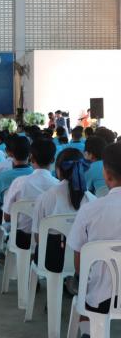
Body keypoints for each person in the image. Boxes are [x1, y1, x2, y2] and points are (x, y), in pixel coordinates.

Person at [67, 143, 121, 337]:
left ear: (107, 174)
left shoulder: (90, 210)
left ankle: (88, 333)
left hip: (99, 298)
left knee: (84, 290)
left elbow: (79, 259)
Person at [32, 148, 95, 272]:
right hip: (84, 264)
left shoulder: (45, 197)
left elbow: (38, 238)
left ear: (58, 170)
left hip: (49, 262)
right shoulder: (93, 200)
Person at [2, 139, 58, 250]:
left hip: (20, 240)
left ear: (31, 158)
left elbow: (7, 217)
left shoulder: (19, 182)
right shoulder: (58, 186)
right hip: (48, 243)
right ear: (53, 160)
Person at [0, 136, 33, 247]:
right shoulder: (34, 174)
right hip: (36, 223)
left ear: (10, 153)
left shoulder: (3, 177)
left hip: (12, 219)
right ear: (30, 154)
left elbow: (1, 202)